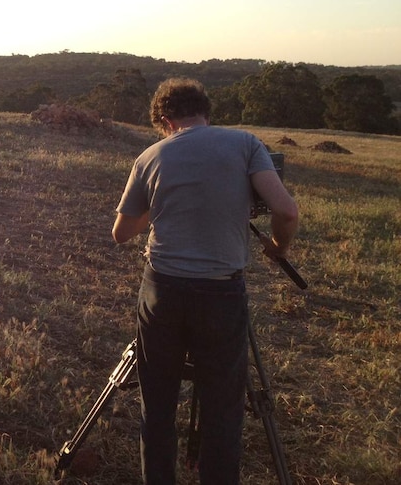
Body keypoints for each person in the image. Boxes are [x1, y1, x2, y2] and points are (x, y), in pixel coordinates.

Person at [111, 78, 298, 484]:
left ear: (165, 120)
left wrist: (160, 205)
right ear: (205, 113)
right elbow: (286, 210)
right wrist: (279, 248)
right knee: (223, 408)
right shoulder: (246, 144)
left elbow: (122, 232)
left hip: (163, 290)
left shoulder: (150, 156)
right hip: (222, 293)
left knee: (157, 403)